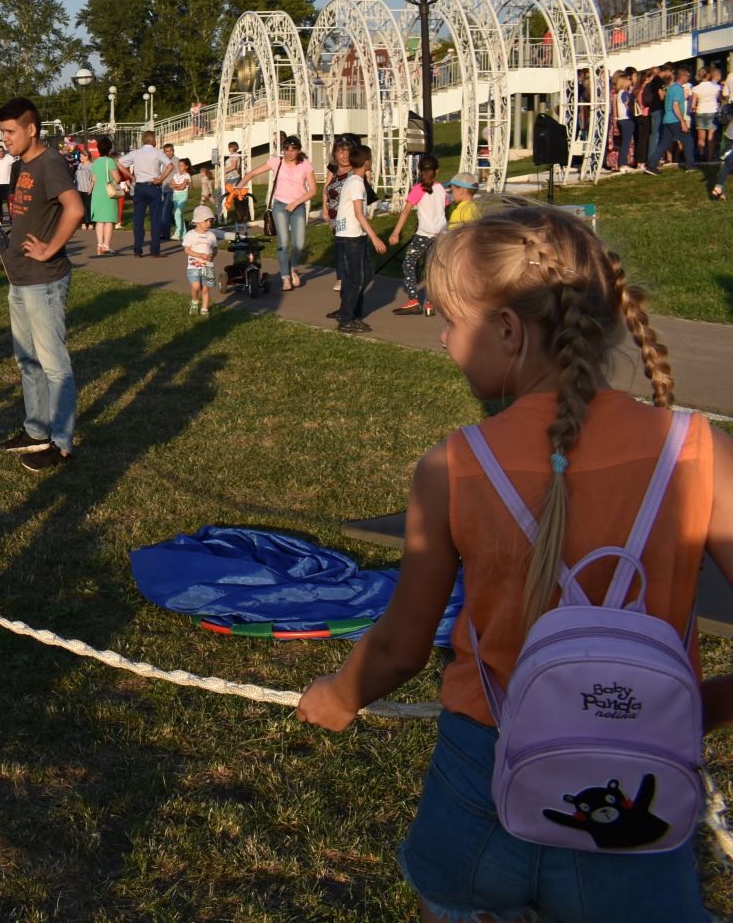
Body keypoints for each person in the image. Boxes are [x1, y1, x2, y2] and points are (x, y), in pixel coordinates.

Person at [297, 203, 733, 923]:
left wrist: (340, 698)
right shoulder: (699, 453)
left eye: (449, 321)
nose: (442, 340)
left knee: (459, 903)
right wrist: (696, 711)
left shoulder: (453, 466)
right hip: (633, 805)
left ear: (507, 331)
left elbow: (404, 646)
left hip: (480, 785)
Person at [0, 98, 82, 473]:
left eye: (10, 131)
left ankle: (61, 443)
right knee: (27, 362)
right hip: (21, 278)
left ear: (32, 129)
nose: (5, 138)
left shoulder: (51, 163)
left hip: (44, 282)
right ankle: (35, 431)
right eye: (2, 132)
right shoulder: (18, 166)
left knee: (53, 365)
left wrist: (49, 249)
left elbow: (75, 208)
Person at [330, 144, 386, 333]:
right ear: (367, 161)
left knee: (366, 274)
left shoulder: (355, 180)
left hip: (354, 235)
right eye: (370, 158)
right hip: (351, 237)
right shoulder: (355, 183)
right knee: (355, 278)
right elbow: (358, 213)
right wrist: (375, 237)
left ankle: (350, 310)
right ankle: (346, 319)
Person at [387, 154, 448, 317]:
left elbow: (406, 211)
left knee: (408, 263)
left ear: (419, 171)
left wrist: (396, 232)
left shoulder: (418, 189)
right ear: (437, 171)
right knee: (430, 269)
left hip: (424, 235)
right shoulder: (441, 189)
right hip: (440, 235)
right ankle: (429, 303)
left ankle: (413, 300)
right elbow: (445, 208)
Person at [118, 130, 172, 258]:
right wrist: (161, 179)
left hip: (140, 187)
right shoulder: (157, 153)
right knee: (155, 219)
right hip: (154, 186)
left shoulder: (136, 153)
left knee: (138, 219)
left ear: (143, 140)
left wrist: (131, 176)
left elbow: (119, 163)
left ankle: (137, 250)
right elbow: (169, 166)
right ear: (153, 140)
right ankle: (155, 250)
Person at [182, 203, 218, 317]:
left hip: (208, 266)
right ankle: (194, 302)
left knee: (206, 288)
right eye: (206, 221)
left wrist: (213, 255)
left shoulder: (211, 235)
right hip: (194, 266)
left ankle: (204, 308)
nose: (209, 224)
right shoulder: (190, 235)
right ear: (197, 221)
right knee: (196, 286)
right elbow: (187, 250)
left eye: (210, 221)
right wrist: (199, 255)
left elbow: (215, 248)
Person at [86, 139, 120, 255]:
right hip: (108, 192)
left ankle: (99, 245)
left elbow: (94, 178)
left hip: (97, 192)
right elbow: (117, 178)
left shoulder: (95, 162)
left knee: (100, 221)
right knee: (109, 220)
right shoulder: (109, 161)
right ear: (109, 149)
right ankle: (106, 246)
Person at [168, 157, 193, 239]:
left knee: (177, 213)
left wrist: (175, 186)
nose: (180, 167)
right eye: (179, 165)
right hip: (175, 196)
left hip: (182, 196)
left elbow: (182, 187)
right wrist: (177, 186)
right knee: (179, 215)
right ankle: (184, 233)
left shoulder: (187, 176)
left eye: (182, 165)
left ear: (186, 166)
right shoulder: (176, 175)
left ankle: (177, 233)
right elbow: (170, 184)